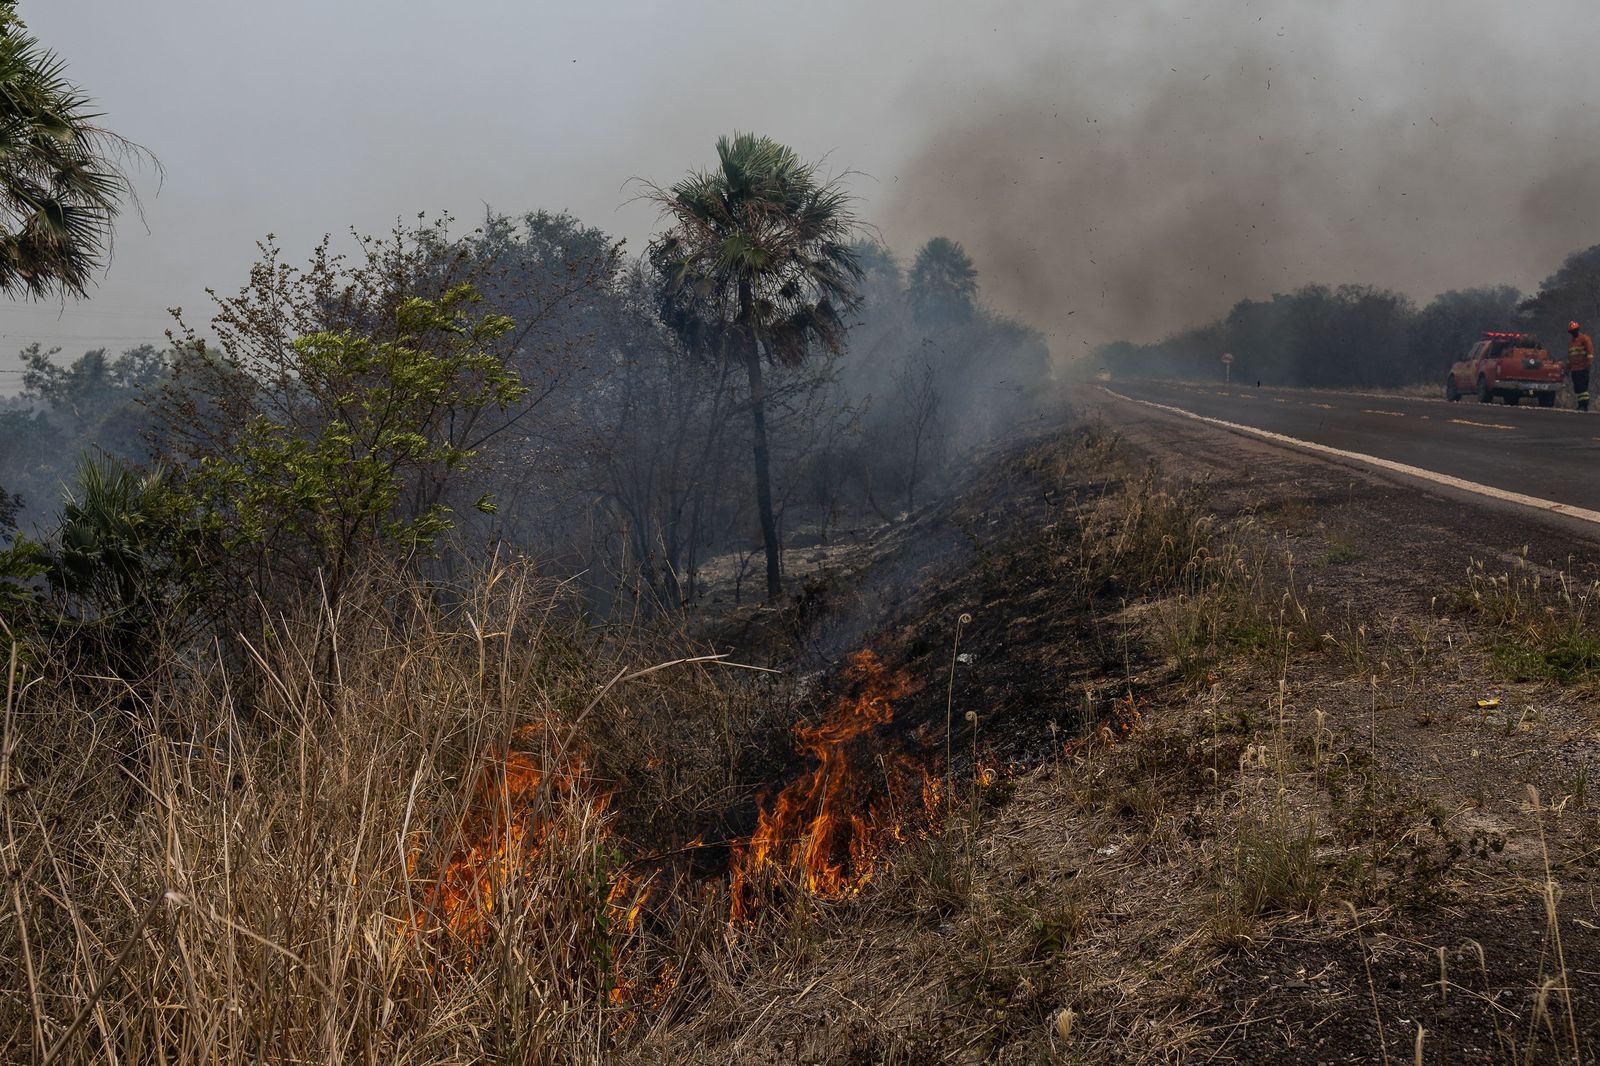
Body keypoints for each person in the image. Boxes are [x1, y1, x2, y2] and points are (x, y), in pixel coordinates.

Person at [1569, 321, 1594, 411]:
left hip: (1583, 367)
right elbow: (1571, 356)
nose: (1573, 333)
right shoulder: (1571, 343)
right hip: (1575, 368)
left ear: (1578, 330)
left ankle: (1584, 405)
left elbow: (1590, 352)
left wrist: (1588, 364)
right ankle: (1580, 404)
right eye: (1572, 331)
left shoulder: (1585, 339)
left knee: (1583, 387)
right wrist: (1569, 367)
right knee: (1577, 387)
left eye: (1575, 330)